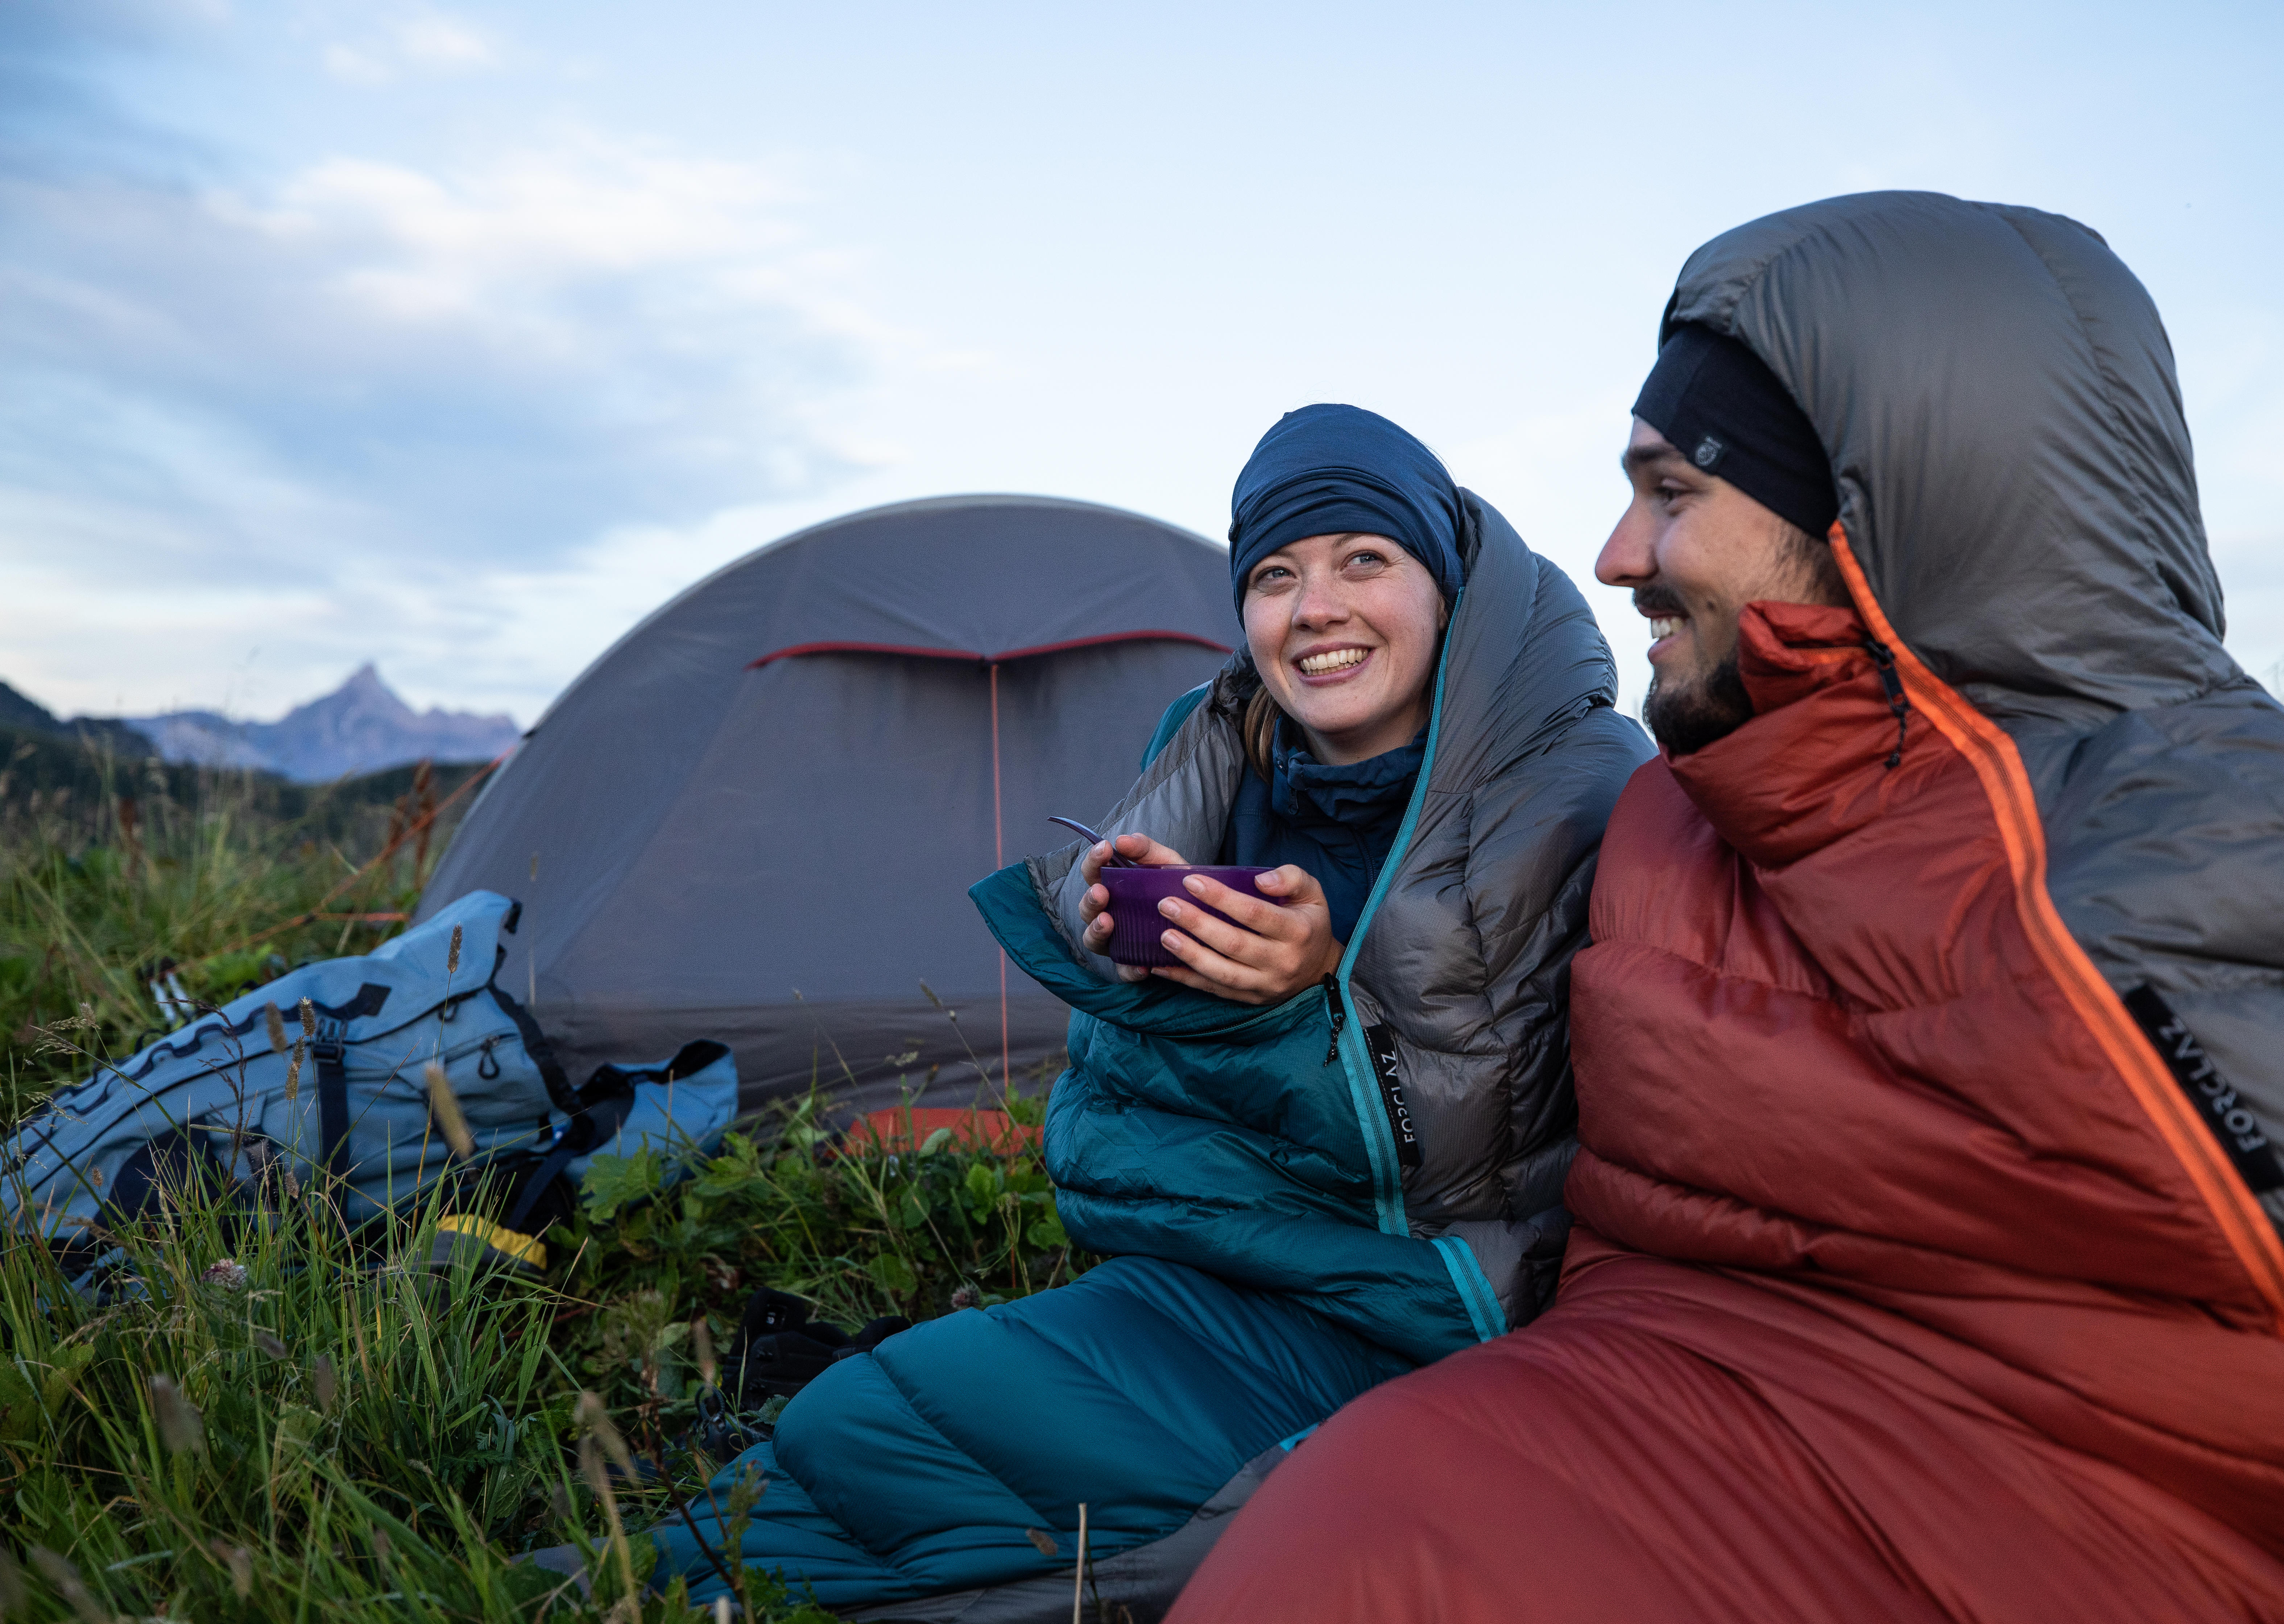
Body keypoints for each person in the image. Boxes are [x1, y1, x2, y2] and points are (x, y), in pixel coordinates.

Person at [1170, 191, 2284, 1623]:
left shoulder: (2236, 843)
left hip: (2059, 1518)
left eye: (1675, 492)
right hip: (1660, 1406)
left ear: (1875, 503)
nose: (1615, 553)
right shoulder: (1678, 817)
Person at [647, 405, 1651, 1616]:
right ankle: (606, 1579)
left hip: (1428, 1322)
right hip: (1205, 1276)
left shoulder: (1586, 789)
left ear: (1447, 583)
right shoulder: (1214, 759)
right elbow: (1132, 1118)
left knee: (1080, 1544)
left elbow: (1553, 1134)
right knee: (863, 1415)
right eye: (1275, 577)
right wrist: (1127, 946)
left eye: (1362, 562)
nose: (1316, 608)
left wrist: (1324, 995)